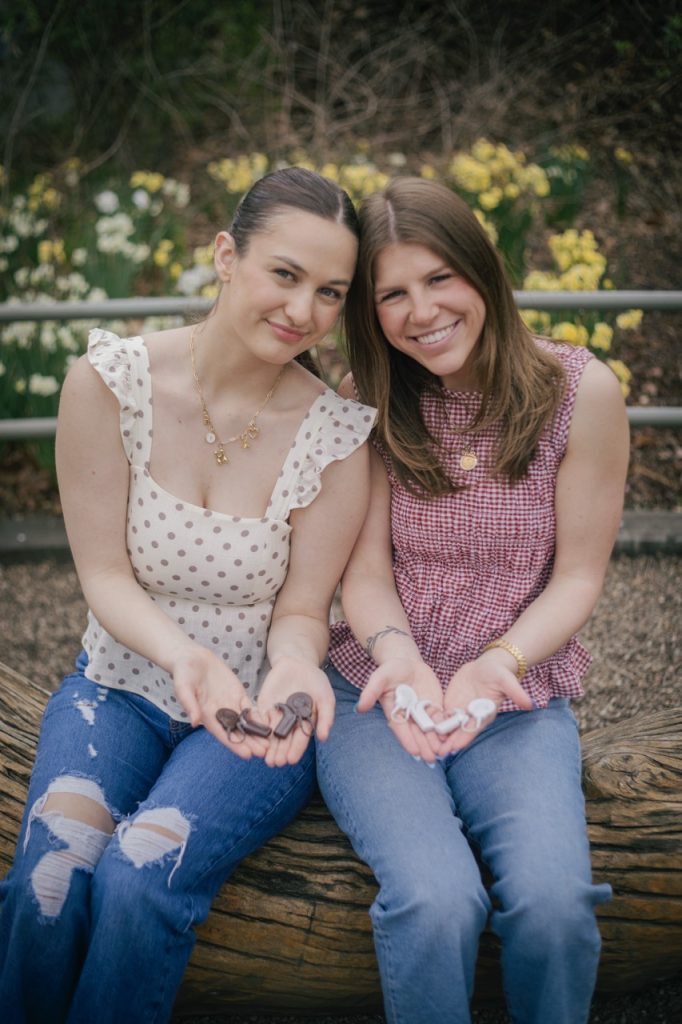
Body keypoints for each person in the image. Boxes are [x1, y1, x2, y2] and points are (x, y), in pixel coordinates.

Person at [0, 166, 376, 1024]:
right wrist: (181, 655)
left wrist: (290, 670)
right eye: (284, 274)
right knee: (49, 880)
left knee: (140, 877)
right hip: (120, 690)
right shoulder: (108, 384)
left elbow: (300, 609)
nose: (303, 310)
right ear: (224, 256)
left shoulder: (334, 436)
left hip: (256, 721)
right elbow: (103, 577)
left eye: (330, 292)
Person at [316, 176, 630, 1024]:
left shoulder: (580, 394)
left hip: (517, 696)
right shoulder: (368, 404)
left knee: (555, 905)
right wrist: (402, 658)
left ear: (482, 272)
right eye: (392, 294)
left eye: (438, 278)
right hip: (377, 693)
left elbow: (578, 577)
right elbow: (367, 574)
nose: (421, 311)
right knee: (435, 899)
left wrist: (496, 666)